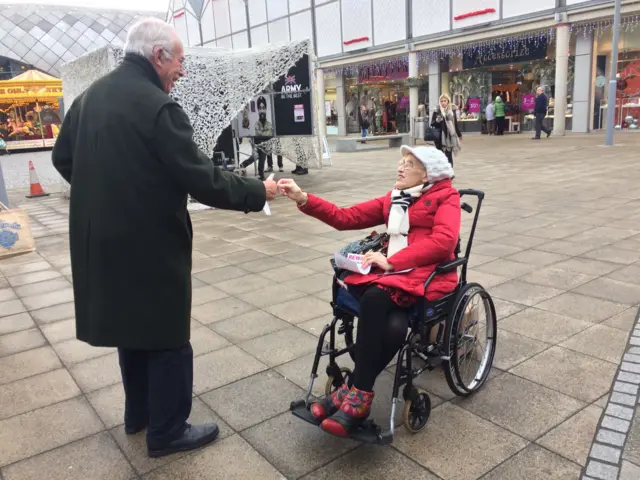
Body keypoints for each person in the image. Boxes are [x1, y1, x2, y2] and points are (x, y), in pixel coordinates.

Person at [51, 18, 276, 458]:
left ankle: (139, 415)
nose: (182, 71)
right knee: (168, 332)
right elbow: (203, 180)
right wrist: (257, 191)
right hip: (150, 243)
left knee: (130, 328)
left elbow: (63, 158)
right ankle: (168, 430)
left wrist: (109, 193)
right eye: (180, 61)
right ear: (158, 56)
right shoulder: (158, 108)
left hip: (101, 244)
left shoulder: (88, 98)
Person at [278, 145, 460, 437]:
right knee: (395, 323)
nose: (400, 167)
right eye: (401, 161)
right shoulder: (395, 198)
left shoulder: (446, 197)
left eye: (409, 163)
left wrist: (391, 261)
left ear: (427, 174)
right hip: (396, 276)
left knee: (376, 297)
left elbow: (444, 242)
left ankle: (355, 394)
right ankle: (355, 395)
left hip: (427, 275)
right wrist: (303, 198)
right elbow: (345, 217)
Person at [430, 94, 462, 166]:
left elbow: (455, 124)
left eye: (445, 101)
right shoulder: (437, 111)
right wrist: (437, 121)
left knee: (449, 156)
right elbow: (432, 124)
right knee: (440, 157)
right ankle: (442, 172)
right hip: (439, 137)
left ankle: (450, 173)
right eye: (441, 101)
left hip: (449, 137)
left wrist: (459, 134)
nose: (443, 103)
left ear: (448, 101)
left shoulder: (452, 111)